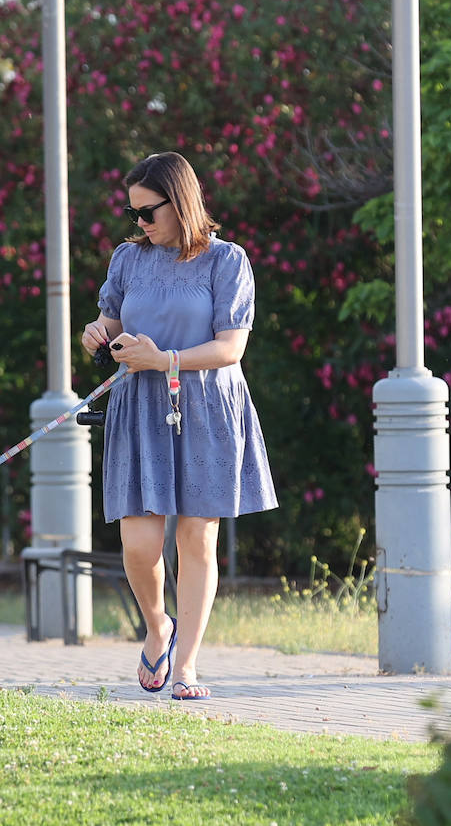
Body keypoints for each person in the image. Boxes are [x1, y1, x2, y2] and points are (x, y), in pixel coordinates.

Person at [79, 151, 277, 701]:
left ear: (181, 202)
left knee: (197, 537)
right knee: (140, 543)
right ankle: (158, 625)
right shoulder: (128, 259)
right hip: (140, 404)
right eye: (132, 214)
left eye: (147, 213)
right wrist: (97, 334)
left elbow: (230, 348)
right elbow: (112, 322)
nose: (138, 224)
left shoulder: (227, 261)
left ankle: (186, 665)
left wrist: (164, 359)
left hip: (207, 405)